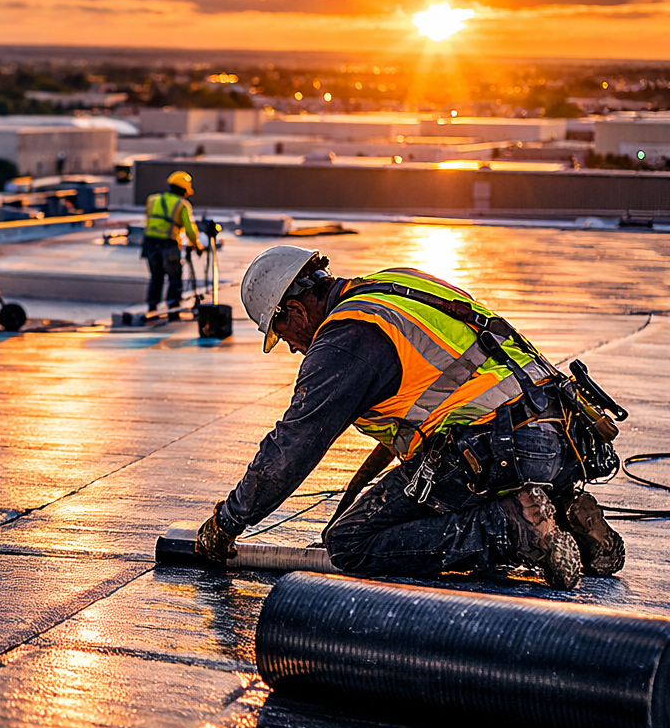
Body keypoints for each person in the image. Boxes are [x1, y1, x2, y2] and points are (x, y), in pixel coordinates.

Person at [194, 245, 625, 590]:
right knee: (389, 509)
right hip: (556, 431)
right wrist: (352, 498)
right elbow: (422, 407)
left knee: (350, 543)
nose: (289, 346)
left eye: (280, 331)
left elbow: (292, 448)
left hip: (496, 449)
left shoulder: (344, 339)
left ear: (294, 310)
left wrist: (227, 522)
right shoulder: (390, 287)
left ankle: (511, 527)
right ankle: (561, 508)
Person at [143, 171, 202, 320]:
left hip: (150, 244)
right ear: (184, 190)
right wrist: (197, 246)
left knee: (156, 277)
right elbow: (190, 230)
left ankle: (152, 308)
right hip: (169, 245)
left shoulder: (152, 199)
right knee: (175, 278)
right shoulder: (182, 205)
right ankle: (173, 309)